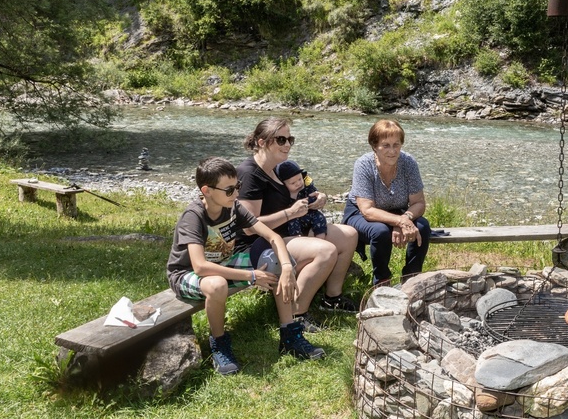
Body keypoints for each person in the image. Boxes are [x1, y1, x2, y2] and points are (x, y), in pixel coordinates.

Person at [166, 157, 325, 376]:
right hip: (187, 273)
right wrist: (251, 275)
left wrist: (287, 267)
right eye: (229, 190)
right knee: (217, 285)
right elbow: (200, 267)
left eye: (237, 186)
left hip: (223, 263)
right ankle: (219, 345)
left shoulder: (233, 207)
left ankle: (290, 335)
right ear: (207, 191)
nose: (236, 194)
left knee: (274, 260)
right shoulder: (194, 216)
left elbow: (272, 237)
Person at [237, 117, 359, 330]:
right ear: (262, 142)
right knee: (325, 251)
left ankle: (332, 298)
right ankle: (296, 313)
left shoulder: (277, 167)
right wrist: (290, 213)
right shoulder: (249, 174)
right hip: (258, 246)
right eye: (281, 139)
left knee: (349, 235)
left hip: (288, 233)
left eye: (290, 139)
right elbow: (248, 227)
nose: (287, 145)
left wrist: (318, 197)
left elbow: (301, 188)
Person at [344, 119, 432, 286]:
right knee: (381, 231)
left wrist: (404, 218)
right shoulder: (363, 164)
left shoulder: (408, 162)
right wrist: (399, 221)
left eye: (396, 145)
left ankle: (412, 279)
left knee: (422, 226)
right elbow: (367, 210)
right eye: (386, 145)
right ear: (374, 146)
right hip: (360, 214)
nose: (392, 151)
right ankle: (382, 282)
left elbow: (419, 203)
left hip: (398, 211)